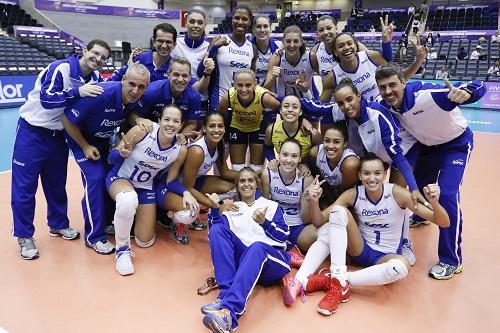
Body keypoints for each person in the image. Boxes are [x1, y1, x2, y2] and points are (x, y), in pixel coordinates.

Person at [281, 153, 450, 315]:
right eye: (367, 173)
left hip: (386, 255)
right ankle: (335, 279)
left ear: (385, 174)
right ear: (360, 175)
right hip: (360, 249)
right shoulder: (353, 194)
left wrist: (434, 203)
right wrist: (314, 202)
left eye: (377, 173)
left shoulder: (398, 194)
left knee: (400, 267)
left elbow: (443, 222)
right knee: (338, 212)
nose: (372, 178)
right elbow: (319, 221)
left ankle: (337, 279)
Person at [375, 63, 486, 279]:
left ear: (403, 82)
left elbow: (478, 85)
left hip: (456, 145)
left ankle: (451, 260)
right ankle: (423, 216)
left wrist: (466, 93)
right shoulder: (385, 104)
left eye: (392, 85)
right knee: (420, 188)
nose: (388, 91)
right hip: (426, 147)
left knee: (446, 196)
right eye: (382, 87)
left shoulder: (427, 95)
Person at [11, 39, 110, 260]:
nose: (98, 59)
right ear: (85, 51)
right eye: (95, 53)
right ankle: (24, 236)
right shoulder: (61, 68)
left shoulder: (94, 78)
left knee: (56, 184)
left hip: (58, 136)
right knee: (25, 188)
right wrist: (78, 92)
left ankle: (58, 224)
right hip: (32, 132)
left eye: (103, 57)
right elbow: (47, 100)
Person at [61, 63, 150, 255]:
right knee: (94, 179)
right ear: (123, 80)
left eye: (141, 87)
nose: (135, 91)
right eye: (132, 84)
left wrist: (137, 120)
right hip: (81, 140)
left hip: (103, 141)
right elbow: (66, 119)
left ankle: (108, 221)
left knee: (111, 177)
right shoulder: (101, 93)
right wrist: (85, 146)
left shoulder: (134, 99)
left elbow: (129, 111)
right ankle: (94, 237)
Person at [106, 105, 198, 275]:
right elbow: (111, 159)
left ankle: (124, 221)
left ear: (181, 125)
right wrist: (121, 153)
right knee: (128, 200)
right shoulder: (142, 131)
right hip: (121, 178)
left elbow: (170, 181)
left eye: (176, 121)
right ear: (159, 121)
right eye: (167, 119)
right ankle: (122, 249)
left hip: (145, 186)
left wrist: (186, 192)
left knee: (145, 242)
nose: (171, 124)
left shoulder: (180, 150)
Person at [201, 167, 291, 333]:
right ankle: (225, 296)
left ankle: (229, 313)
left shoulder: (270, 205)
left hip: (272, 260)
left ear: (257, 184)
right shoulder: (232, 208)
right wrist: (215, 210)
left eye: (250, 180)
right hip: (246, 263)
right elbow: (216, 237)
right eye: (242, 181)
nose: (246, 184)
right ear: (237, 186)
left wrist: (265, 223)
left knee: (256, 247)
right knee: (217, 230)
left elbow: (284, 235)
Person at [178, 111, 238, 244]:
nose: (217, 130)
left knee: (233, 187)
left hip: (196, 182)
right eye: (212, 126)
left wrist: (252, 174)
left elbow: (225, 172)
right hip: (179, 187)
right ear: (204, 128)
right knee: (187, 214)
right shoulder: (197, 151)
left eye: (220, 126)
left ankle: (200, 207)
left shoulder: (219, 143)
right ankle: (179, 223)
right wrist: (216, 205)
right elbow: (186, 187)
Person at [218, 69, 281, 172]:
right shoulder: (228, 96)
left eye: (248, 85)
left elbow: (284, 110)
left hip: (258, 128)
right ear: (234, 85)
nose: (244, 89)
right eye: (240, 85)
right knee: (237, 168)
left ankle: (256, 187)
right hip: (237, 127)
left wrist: (301, 122)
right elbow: (220, 115)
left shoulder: (263, 96)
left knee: (256, 169)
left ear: (255, 84)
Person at [262, 139, 315, 255]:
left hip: (298, 228)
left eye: (294, 156)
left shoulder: (306, 178)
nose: (289, 160)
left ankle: (288, 248)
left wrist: (307, 198)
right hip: (276, 227)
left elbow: (307, 219)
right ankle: (289, 250)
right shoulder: (268, 174)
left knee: (326, 231)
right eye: (285, 155)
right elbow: (265, 209)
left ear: (300, 159)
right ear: (278, 155)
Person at [198, 4, 254, 112]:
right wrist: (214, 47)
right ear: (231, 20)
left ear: (250, 22)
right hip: (218, 101)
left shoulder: (252, 48)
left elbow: (252, 80)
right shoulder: (217, 40)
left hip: (241, 104)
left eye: (244, 19)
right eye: (237, 18)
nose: (240, 22)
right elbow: (201, 71)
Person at [131, 57, 203, 134]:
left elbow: (191, 124)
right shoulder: (152, 92)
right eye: (176, 75)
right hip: (148, 133)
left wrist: (182, 135)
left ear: (190, 78)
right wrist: (139, 120)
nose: (180, 79)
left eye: (184, 76)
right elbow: (132, 115)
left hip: (175, 136)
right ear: (168, 75)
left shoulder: (194, 96)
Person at [170, 9, 212, 116]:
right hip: (175, 100)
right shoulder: (175, 44)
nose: (196, 25)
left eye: (200, 22)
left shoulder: (209, 48)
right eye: (192, 21)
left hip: (200, 101)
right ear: (186, 22)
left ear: (204, 25)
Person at [263, 25, 318, 101]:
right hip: (284, 102)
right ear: (283, 42)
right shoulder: (277, 57)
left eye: (296, 41)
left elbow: (324, 78)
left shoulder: (311, 57)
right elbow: (265, 89)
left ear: (301, 42)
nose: (292, 45)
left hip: (309, 100)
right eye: (288, 41)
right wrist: (273, 78)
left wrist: (306, 87)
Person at [264, 94, 322, 165]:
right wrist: (272, 159)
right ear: (280, 111)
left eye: (295, 107)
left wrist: (307, 165)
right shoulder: (271, 129)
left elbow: (321, 153)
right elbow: (267, 147)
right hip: (283, 166)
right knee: (266, 174)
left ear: (300, 112)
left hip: (304, 170)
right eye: (286, 106)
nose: (290, 110)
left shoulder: (312, 133)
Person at [109, 23, 177, 82]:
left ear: (174, 45)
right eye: (160, 41)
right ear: (153, 42)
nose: (164, 46)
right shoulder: (138, 59)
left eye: (168, 42)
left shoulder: (175, 66)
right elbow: (113, 80)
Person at [251, 15, 282, 86]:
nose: (262, 30)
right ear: (254, 29)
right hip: (253, 91)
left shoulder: (279, 46)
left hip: (273, 92)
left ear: (270, 28)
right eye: (259, 26)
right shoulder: (247, 47)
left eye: (265, 26)